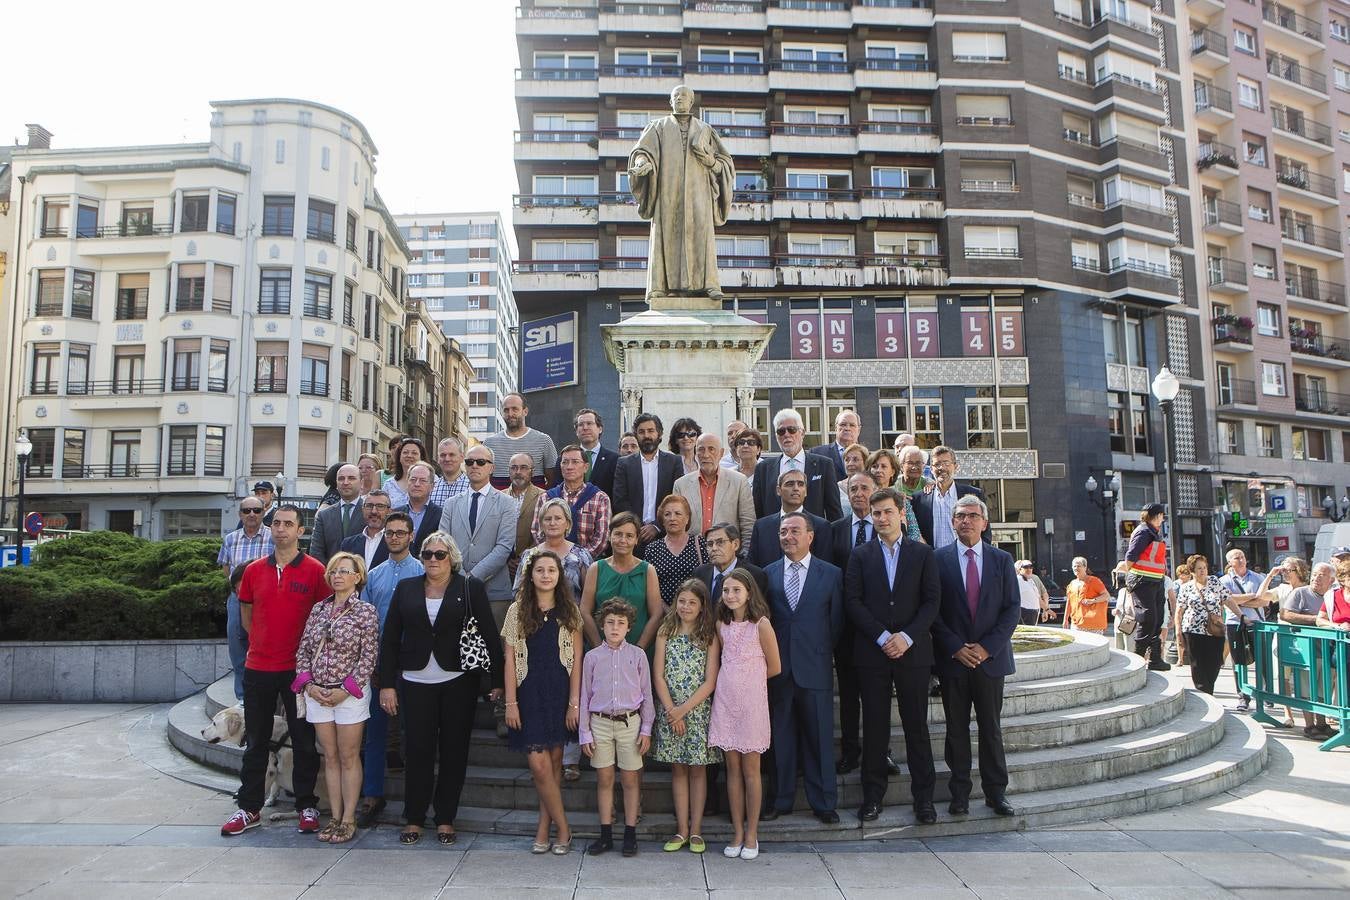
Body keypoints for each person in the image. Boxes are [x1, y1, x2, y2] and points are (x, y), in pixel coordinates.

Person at [378, 531, 504, 846]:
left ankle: (446, 817)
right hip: (415, 681)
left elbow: (490, 636)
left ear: (452, 558)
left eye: (440, 554)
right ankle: (414, 817)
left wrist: (498, 682)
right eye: (427, 554)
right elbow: (391, 638)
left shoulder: (469, 587)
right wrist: (386, 685)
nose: (433, 559)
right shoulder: (407, 589)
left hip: (458, 681)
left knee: (454, 751)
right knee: (417, 750)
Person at [220, 504, 327, 837]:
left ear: (300, 530)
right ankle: (249, 808)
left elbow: (323, 619)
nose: (281, 529)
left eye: (288, 524)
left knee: (304, 741)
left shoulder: (315, 570)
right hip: (258, 668)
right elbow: (248, 618)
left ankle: (306, 804)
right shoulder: (252, 571)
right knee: (255, 743)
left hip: (297, 673)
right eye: (276, 523)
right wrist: (263, 645)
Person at [845, 487, 940, 824]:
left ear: (902, 513)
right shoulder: (860, 555)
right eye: (876, 513)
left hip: (913, 653)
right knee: (874, 729)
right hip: (872, 653)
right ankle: (872, 797)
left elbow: (932, 602)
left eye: (887, 512)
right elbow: (853, 602)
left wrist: (906, 637)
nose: (881, 518)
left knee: (917, 728)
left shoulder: (922, 554)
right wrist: (884, 636)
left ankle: (924, 800)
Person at [931, 495, 1020, 818]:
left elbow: (1011, 609)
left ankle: (996, 793)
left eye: (972, 516)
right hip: (954, 661)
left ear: (984, 522)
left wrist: (986, 648)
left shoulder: (1001, 561)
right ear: (952, 522)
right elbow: (933, 611)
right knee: (955, 730)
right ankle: (959, 794)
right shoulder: (938, 560)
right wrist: (956, 647)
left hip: (990, 661)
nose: (965, 521)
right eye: (959, 516)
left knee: (990, 728)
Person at [291, 552, 379, 844]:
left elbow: (369, 656)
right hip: (318, 692)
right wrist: (309, 685)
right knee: (329, 756)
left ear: (357, 577)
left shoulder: (365, 611)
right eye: (333, 571)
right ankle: (335, 816)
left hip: (349, 695)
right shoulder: (318, 609)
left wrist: (346, 689)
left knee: (348, 755)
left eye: (344, 571)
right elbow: (303, 650)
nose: (337, 575)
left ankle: (349, 819)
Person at [762, 511, 844, 825]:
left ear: (810, 536)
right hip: (779, 670)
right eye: (783, 531)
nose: (788, 537)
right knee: (780, 738)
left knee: (819, 738)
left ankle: (823, 802)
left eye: (795, 531)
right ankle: (780, 800)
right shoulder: (766, 574)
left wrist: (820, 652)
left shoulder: (831, 574)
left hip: (815, 667)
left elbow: (836, 623)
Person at [502, 549, 583, 856]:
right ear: (530, 574)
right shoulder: (516, 611)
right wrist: (511, 702)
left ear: (559, 575)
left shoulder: (569, 611)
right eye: (540, 570)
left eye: (552, 570)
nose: (546, 575)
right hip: (529, 692)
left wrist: (574, 703)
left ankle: (542, 827)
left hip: (559, 692)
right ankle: (563, 828)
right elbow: (510, 659)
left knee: (553, 764)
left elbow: (576, 661)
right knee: (538, 764)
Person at [628, 83, 734, 302]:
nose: (680, 99)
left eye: (684, 95)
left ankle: (709, 285)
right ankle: (659, 287)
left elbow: (725, 165)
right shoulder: (657, 127)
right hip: (668, 194)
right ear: (670, 101)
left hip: (699, 196)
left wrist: (711, 161)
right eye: (676, 96)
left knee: (702, 237)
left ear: (692, 101)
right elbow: (643, 151)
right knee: (665, 236)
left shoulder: (705, 129)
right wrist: (642, 165)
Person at [515, 497, 595, 782]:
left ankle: (569, 760)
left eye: (558, 518)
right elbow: (520, 594)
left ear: (568, 523)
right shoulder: (529, 556)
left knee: (567, 694)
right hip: (536, 632)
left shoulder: (581, 556)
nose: (552, 523)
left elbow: (588, 597)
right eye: (547, 518)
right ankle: (541, 753)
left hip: (569, 630)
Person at [708, 568, 781, 861]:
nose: (730, 595)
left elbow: (774, 666)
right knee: (732, 770)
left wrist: (748, 681)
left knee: (752, 771)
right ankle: (737, 831)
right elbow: (720, 660)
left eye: (736, 590)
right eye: (726, 591)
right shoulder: (721, 625)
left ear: (749, 592)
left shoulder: (761, 625)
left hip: (751, 704)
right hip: (725, 702)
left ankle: (752, 833)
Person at [354, 511, 421, 828]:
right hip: (381, 665)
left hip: (416, 666)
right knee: (375, 734)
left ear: (411, 536)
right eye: (390, 533)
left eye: (400, 532)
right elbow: (365, 624)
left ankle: (416, 800)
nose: (394, 537)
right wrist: (369, 666)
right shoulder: (374, 575)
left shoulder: (423, 572)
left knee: (416, 735)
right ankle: (372, 795)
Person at [580, 599, 656, 858]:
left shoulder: (638, 656)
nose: (615, 627)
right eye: (610, 622)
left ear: (628, 627)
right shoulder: (591, 657)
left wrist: (646, 728)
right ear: (602, 625)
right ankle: (605, 835)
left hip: (630, 723)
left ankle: (630, 834)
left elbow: (646, 693)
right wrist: (584, 732)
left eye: (620, 623)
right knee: (604, 779)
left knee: (631, 778)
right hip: (599, 723)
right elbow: (583, 696)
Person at [652, 579, 721, 855]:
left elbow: (710, 681)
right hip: (671, 713)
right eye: (682, 601)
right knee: (678, 769)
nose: (686, 606)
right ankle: (681, 829)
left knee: (697, 771)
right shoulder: (665, 631)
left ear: (703, 605)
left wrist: (684, 709)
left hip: (698, 712)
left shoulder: (709, 636)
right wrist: (672, 710)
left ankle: (696, 831)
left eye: (692, 602)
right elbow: (658, 674)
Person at [440, 445, 518, 627]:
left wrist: (472, 578)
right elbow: (443, 544)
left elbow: (504, 547)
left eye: (481, 462)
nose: (475, 465)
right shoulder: (451, 504)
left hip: (494, 594)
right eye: (469, 462)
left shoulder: (507, 503)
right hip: (454, 589)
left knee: (495, 651)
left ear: (491, 467)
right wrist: (460, 577)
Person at [218, 497, 275, 701]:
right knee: (237, 648)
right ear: (240, 514)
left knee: (263, 645)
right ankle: (242, 698)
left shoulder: (272, 537)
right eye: (247, 510)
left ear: (263, 513)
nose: (252, 514)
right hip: (238, 600)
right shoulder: (231, 539)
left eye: (257, 510)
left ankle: (265, 695)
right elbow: (226, 567)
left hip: (265, 602)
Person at [580, 513, 664, 649]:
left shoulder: (648, 570)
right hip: (601, 652)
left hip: (639, 652)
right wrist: (600, 649)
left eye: (629, 536)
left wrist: (638, 649)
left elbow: (656, 614)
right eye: (618, 534)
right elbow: (584, 611)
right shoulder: (596, 568)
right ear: (609, 535)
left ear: (637, 539)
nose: (623, 540)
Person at [1272, 559, 1333, 737]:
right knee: (1306, 689)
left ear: (1331, 580)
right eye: (1315, 574)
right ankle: (1309, 725)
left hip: (1328, 651)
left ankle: (1322, 725)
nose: (1316, 578)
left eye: (1322, 575)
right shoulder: (1301, 593)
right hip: (1306, 651)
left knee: (1323, 689)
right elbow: (1286, 614)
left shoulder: (1332, 595)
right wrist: (1315, 620)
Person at [1176, 554, 1248, 696]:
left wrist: (1242, 616)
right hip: (1193, 630)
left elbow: (1228, 600)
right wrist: (1178, 630)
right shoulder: (1186, 587)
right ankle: (1205, 694)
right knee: (1198, 665)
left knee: (1215, 663)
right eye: (1198, 568)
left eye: (1204, 568)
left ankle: (1208, 691)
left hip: (1215, 630)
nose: (1202, 571)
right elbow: (1179, 610)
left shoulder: (1214, 582)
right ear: (1192, 571)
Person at [752, 409, 842, 521]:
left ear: (802, 433)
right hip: (774, 535)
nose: (786, 435)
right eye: (781, 431)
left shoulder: (823, 465)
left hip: (814, 535)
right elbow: (758, 511)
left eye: (792, 430)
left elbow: (834, 511)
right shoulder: (763, 468)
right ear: (776, 436)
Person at [1116, 503, 1171, 673]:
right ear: (1157, 515)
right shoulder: (1143, 531)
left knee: (1157, 619)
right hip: (1142, 581)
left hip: (1155, 580)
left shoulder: (1153, 532)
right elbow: (1131, 556)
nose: (1163, 519)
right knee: (1148, 618)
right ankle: (1138, 659)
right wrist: (1128, 571)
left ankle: (1155, 658)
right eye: (1162, 515)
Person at [613, 413, 683, 547]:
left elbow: (677, 499)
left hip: (666, 535)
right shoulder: (624, 464)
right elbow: (620, 499)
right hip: (633, 536)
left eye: (651, 431)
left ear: (659, 434)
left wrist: (656, 526)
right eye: (641, 432)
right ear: (636, 435)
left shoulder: (674, 462)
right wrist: (636, 526)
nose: (646, 436)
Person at [674, 432, 755, 546]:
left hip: (728, 555)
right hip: (692, 555)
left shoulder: (739, 481)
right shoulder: (681, 484)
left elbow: (748, 525)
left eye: (711, 449)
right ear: (695, 453)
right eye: (701, 449)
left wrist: (744, 557)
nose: (706, 455)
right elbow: (677, 525)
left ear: (721, 453)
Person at [531, 444, 611, 559]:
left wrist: (578, 559)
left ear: (586, 467)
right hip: (551, 565)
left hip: (587, 565)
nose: (569, 467)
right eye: (565, 462)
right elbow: (537, 532)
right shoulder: (546, 498)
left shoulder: (600, 498)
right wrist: (556, 559)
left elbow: (602, 538)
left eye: (575, 462)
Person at [749, 468, 832, 568]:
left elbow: (824, 569)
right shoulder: (761, 526)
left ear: (805, 491)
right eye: (790, 484)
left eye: (801, 484)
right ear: (778, 490)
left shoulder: (821, 526)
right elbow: (753, 565)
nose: (796, 488)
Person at [1219, 548, 1267, 711]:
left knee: (1262, 658)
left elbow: (1264, 601)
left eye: (1242, 557)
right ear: (1229, 563)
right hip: (1235, 624)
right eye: (1236, 558)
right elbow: (1227, 600)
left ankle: (1265, 693)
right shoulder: (1224, 580)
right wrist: (1252, 596)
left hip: (1257, 622)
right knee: (1238, 661)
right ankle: (1242, 695)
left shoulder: (1258, 577)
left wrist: (1238, 601)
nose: (1240, 560)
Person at [911, 447, 986, 549]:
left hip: (964, 558)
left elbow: (985, 531)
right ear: (931, 469)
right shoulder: (919, 499)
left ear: (955, 466)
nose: (941, 468)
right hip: (932, 560)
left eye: (946, 463)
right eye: (937, 464)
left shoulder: (974, 494)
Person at [645, 495, 709, 606]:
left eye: (678, 514)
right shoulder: (652, 549)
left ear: (687, 518)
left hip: (694, 612)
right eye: (667, 514)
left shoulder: (700, 543)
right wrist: (666, 612)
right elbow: (647, 587)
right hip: (662, 615)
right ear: (662, 520)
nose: (672, 518)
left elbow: (708, 579)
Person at [484, 393, 558, 489]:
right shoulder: (489, 443)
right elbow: (484, 479)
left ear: (525, 411)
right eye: (506, 410)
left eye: (515, 409)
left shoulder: (544, 440)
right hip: (498, 502)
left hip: (534, 502)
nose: (510, 414)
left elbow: (553, 479)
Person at [552, 408, 618, 499]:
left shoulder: (615, 460)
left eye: (589, 423)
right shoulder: (563, 460)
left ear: (600, 429)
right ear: (576, 431)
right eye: (581, 425)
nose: (585, 428)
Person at [694, 521, 768, 601]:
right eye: (710, 544)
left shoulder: (754, 575)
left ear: (735, 545)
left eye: (720, 542)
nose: (714, 548)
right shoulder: (700, 573)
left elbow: (759, 608)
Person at [309, 464, 364, 562]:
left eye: (351, 478)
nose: (346, 482)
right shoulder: (324, 516)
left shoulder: (370, 513)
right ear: (336, 483)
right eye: (341, 478)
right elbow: (316, 552)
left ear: (361, 482)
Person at [507, 453, 546, 579]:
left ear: (532, 472)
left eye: (523, 467)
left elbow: (545, 533)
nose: (518, 472)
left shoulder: (545, 497)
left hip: (533, 566)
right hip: (502, 568)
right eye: (514, 468)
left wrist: (526, 557)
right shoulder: (497, 497)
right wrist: (506, 559)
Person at [398, 462, 443, 556]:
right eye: (413, 479)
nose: (417, 484)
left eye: (422, 480)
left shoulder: (441, 515)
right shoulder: (396, 513)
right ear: (407, 483)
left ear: (432, 486)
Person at [339, 489, 391, 572]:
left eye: (380, 506)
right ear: (363, 509)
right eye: (369, 506)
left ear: (389, 511)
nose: (374, 511)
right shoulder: (348, 544)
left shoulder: (396, 542)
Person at [810, 409, 860, 482]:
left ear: (859, 430)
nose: (847, 428)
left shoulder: (868, 457)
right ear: (836, 428)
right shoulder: (816, 453)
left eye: (852, 425)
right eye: (843, 424)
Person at [1064, 557, 1110, 635]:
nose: (1076, 568)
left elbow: (1106, 596)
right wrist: (1065, 619)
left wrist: (1092, 601)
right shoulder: (1072, 584)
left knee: (1095, 647)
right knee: (1078, 646)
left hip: (1093, 625)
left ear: (1085, 567)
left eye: (1079, 566)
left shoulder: (1094, 581)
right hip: (1076, 624)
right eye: (1074, 566)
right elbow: (1069, 602)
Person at [382, 437, 428, 511]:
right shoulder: (389, 484)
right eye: (405, 452)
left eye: (414, 453)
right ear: (399, 457)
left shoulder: (432, 480)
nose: (409, 455)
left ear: (421, 457)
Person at [429, 437, 470, 507]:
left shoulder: (471, 486)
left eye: (452, 455)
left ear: (462, 457)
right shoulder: (431, 488)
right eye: (443, 455)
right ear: (438, 459)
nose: (447, 459)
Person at [1015, 560, 1052, 625]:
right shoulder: (1018, 579)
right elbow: (1045, 595)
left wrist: (1046, 610)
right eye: (1026, 567)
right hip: (1028, 612)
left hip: (1029, 612)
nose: (1029, 569)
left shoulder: (1031, 580)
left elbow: (1042, 596)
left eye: (1030, 567)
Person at [836, 442, 869, 513]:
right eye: (847, 460)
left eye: (855, 459)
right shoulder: (836, 487)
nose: (850, 463)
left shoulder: (873, 486)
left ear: (865, 462)